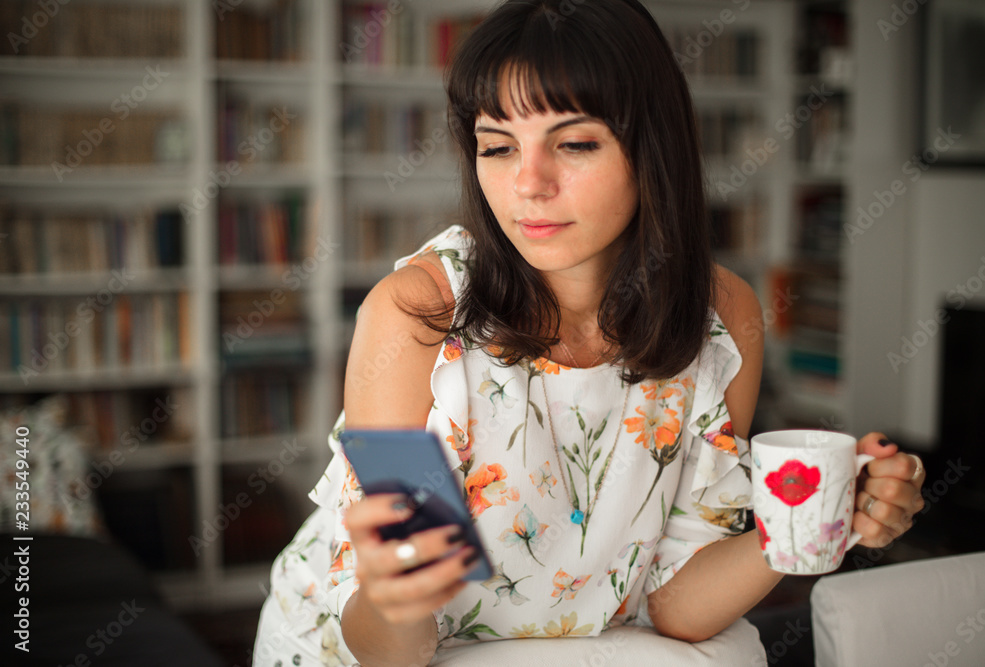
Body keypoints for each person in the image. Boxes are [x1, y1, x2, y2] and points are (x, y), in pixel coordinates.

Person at [252, 1, 926, 665]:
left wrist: (808, 522)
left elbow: (677, 603)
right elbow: (389, 650)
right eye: (497, 145)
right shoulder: (415, 316)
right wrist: (396, 594)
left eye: (573, 143)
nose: (528, 183)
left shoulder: (723, 318)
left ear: (652, 146)